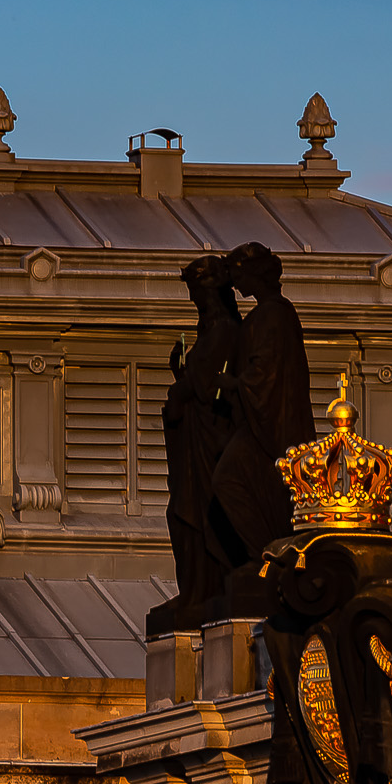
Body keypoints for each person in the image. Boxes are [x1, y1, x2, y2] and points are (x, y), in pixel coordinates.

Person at [151, 254, 242, 632]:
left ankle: (203, 589)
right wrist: (183, 377)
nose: (192, 301)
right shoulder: (212, 331)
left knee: (195, 513)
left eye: (195, 292)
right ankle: (194, 589)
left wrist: (184, 384)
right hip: (196, 438)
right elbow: (200, 380)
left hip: (210, 442)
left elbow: (207, 385)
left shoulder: (225, 330)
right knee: (182, 513)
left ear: (211, 291)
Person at [209, 243, 314, 566]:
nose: (236, 283)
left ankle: (265, 553)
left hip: (268, 422)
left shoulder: (273, 314)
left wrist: (229, 383)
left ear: (254, 274)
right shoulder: (270, 313)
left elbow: (265, 376)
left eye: (238, 274)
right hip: (260, 418)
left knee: (227, 479)